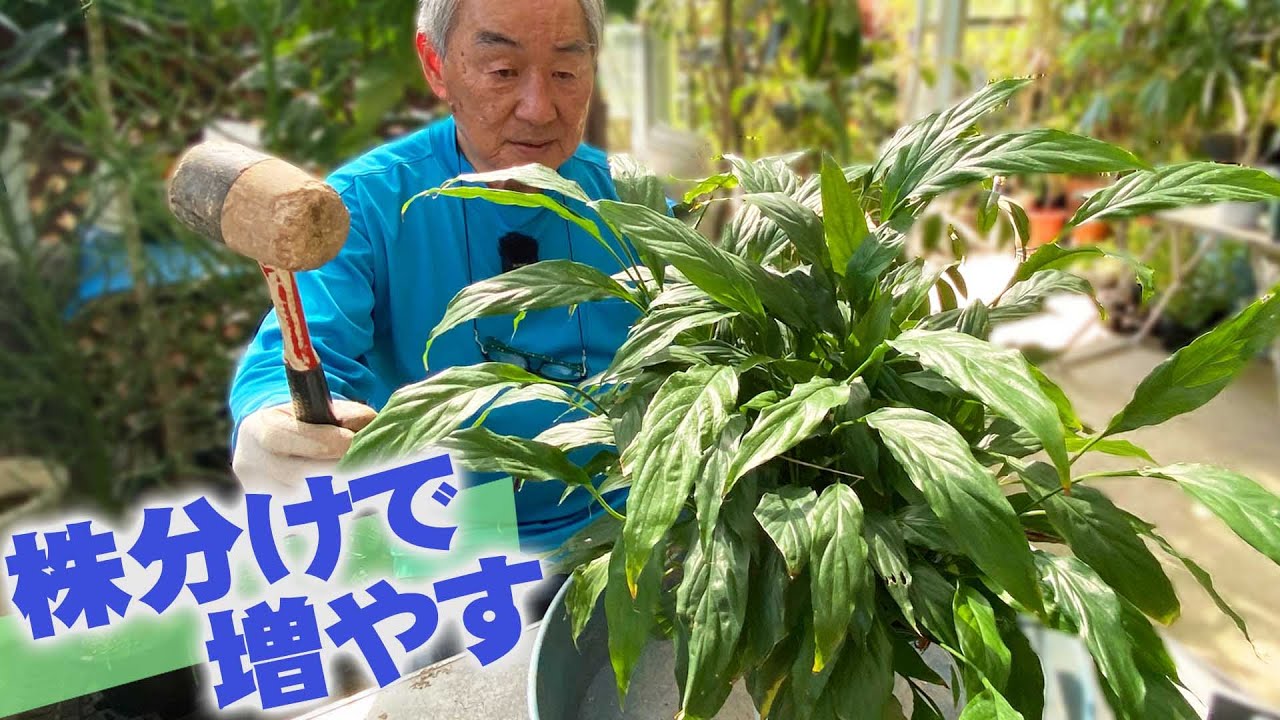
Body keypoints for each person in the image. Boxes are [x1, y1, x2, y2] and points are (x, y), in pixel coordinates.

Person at [228, 0, 633, 553]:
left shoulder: (635, 204)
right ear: (436, 64)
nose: (539, 110)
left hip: (621, 527)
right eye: (503, 72)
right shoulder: (364, 206)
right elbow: (298, 347)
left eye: (565, 71)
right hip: (444, 546)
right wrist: (272, 424)